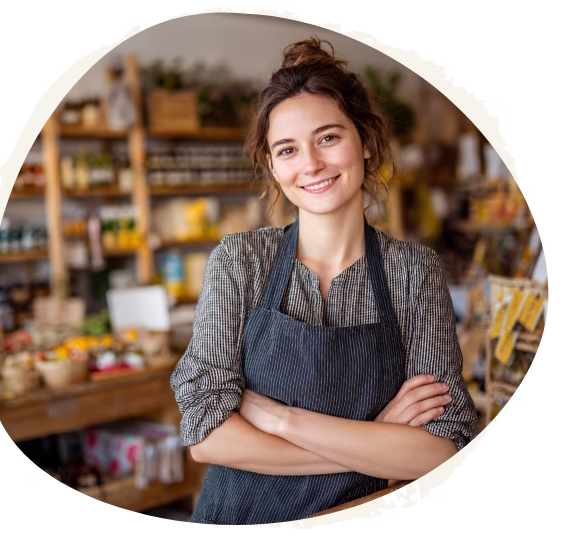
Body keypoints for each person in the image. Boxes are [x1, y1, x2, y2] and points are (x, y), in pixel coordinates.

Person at [170, 36, 477, 526]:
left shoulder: (413, 272)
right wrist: (373, 437)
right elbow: (207, 436)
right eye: (287, 149)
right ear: (273, 166)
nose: (310, 164)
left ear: (367, 143)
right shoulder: (239, 262)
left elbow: (440, 451)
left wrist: (279, 419)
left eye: (328, 138)